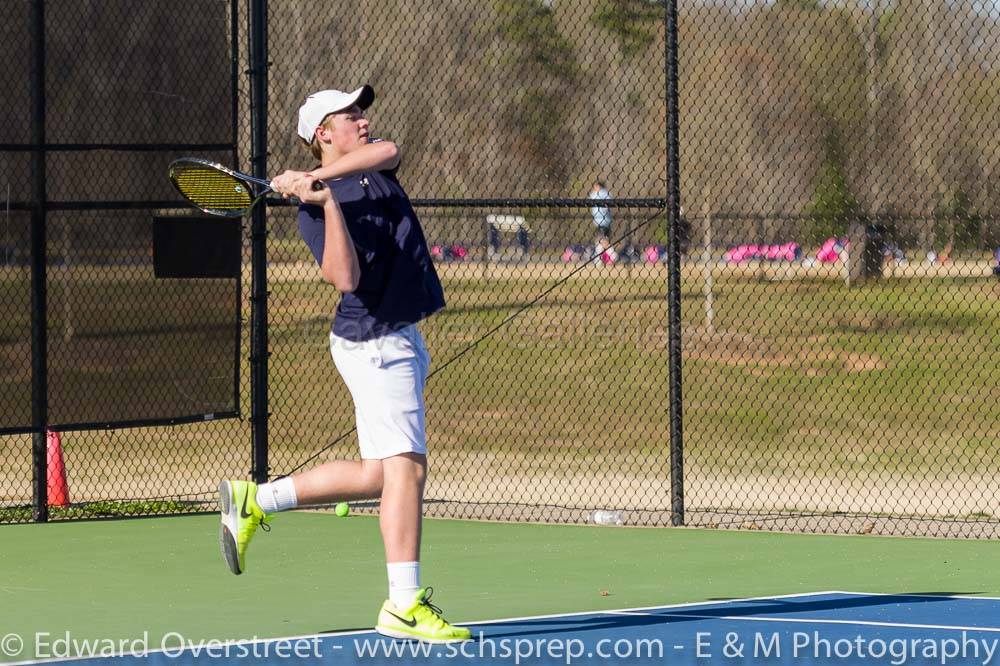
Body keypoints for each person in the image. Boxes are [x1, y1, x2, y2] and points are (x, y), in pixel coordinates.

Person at [217, 84, 471, 644]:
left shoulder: (372, 161)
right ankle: (403, 604)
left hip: (396, 338)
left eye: (362, 111)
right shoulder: (315, 209)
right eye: (349, 115)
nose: (363, 119)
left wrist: (321, 180)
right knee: (407, 470)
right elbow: (344, 278)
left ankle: (257, 499)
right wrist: (326, 204)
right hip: (375, 342)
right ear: (322, 134)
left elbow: (390, 149)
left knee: (380, 475)